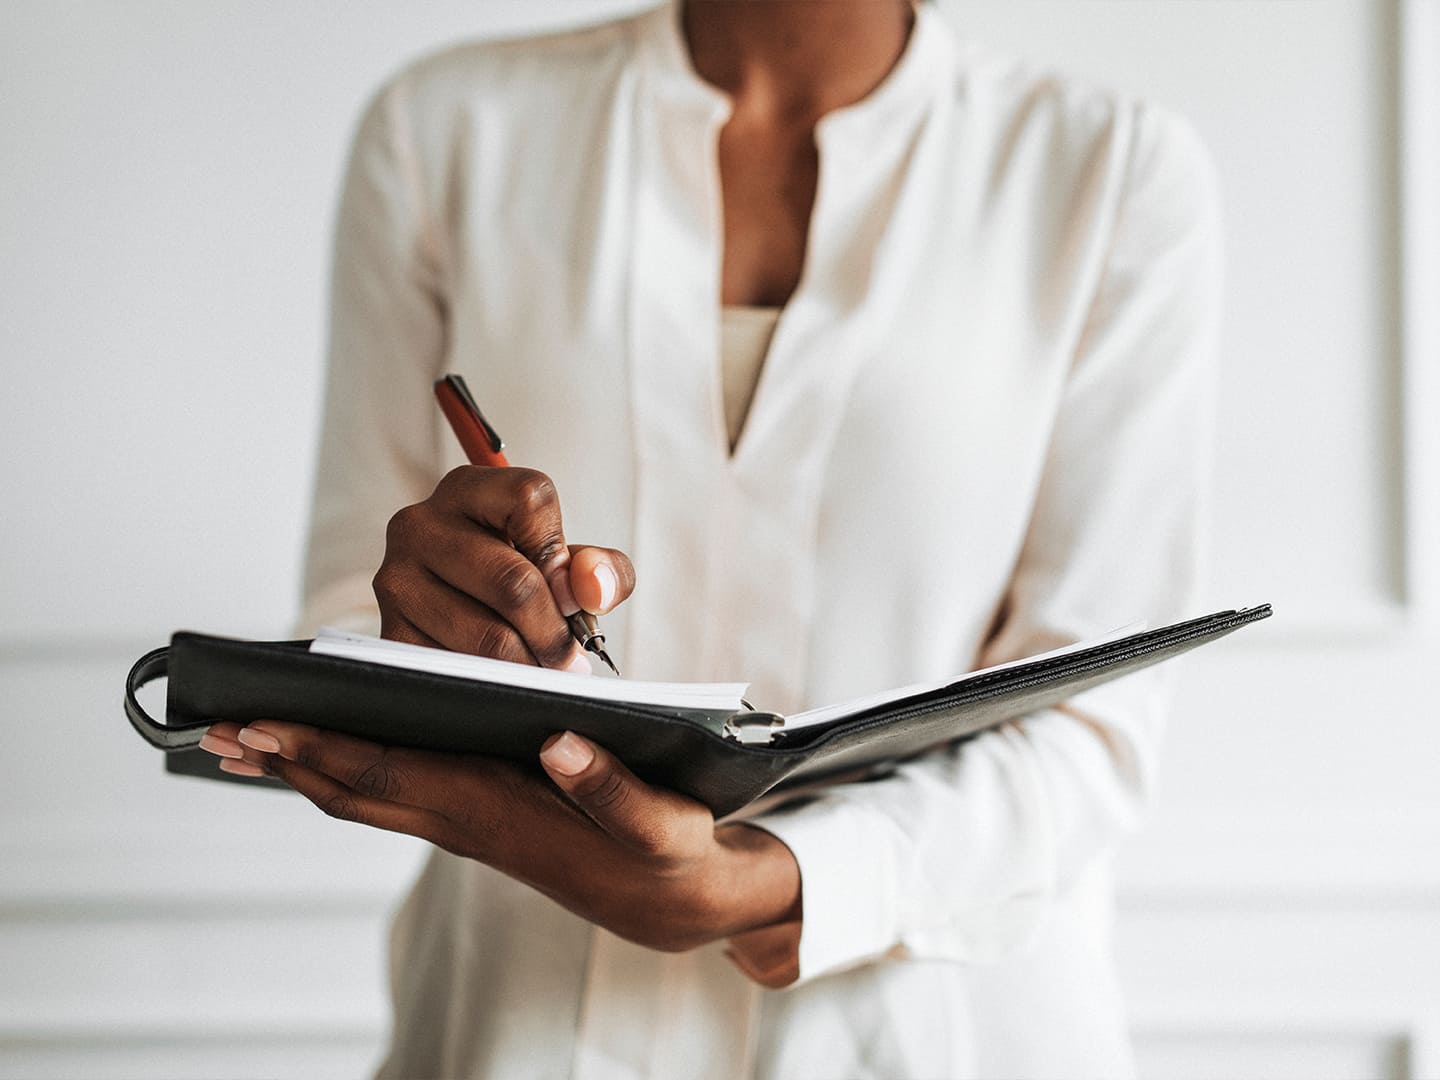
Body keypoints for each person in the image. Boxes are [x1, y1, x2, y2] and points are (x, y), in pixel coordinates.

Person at [200, 0, 1221, 1075]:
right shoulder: (447, 131)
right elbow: (347, 617)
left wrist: (784, 875)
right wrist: (455, 636)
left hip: (943, 1034)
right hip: (516, 1024)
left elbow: (1094, 718)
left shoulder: (1112, 171)